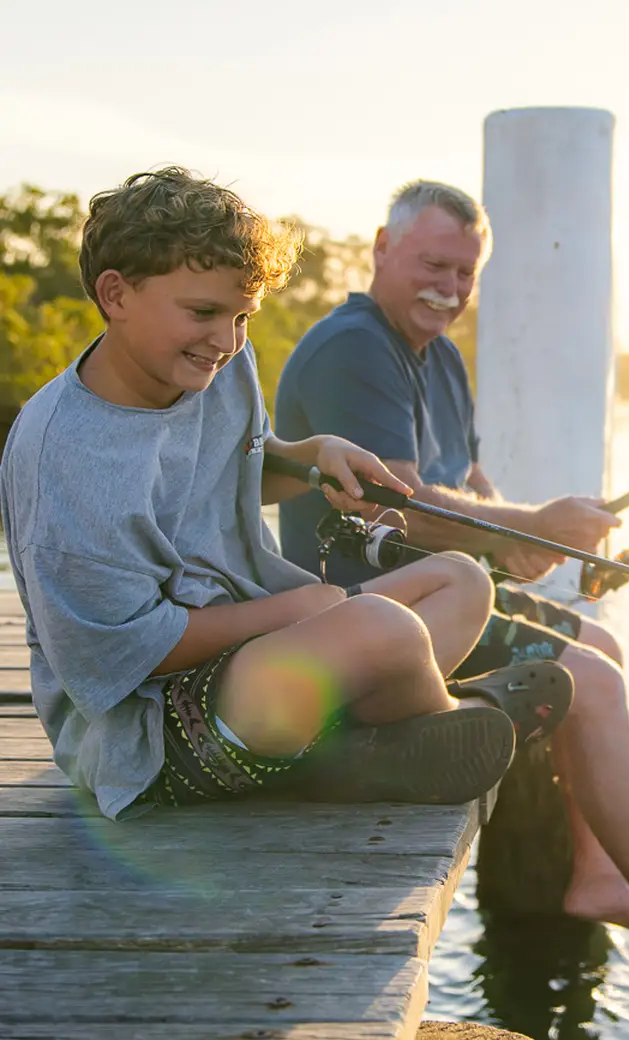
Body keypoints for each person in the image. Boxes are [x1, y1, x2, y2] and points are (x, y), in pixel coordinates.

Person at [275, 180, 629, 978]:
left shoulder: (438, 353)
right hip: (374, 611)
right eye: (433, 264)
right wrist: (534, 525)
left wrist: (518, 533)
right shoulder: (355, 346)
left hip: (447, 586)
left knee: (601, 647)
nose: (448, 289)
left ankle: (595, 874)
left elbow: (464, 477)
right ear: (382, 249)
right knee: (588, 680)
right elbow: (401, 507)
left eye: (464, 274)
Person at [0, 167, 568, 826]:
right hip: (149, 733)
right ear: (116, 293)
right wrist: (289, 612)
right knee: (383, 628)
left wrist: (311, 456)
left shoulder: (210, 364)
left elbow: (237, 465)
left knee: (462, 581)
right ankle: (442, 723)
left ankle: (354, 745)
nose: (227, 340)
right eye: (204, 312)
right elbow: (123, 654)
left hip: (257, 652)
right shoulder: (66, 456)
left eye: (243, 316)